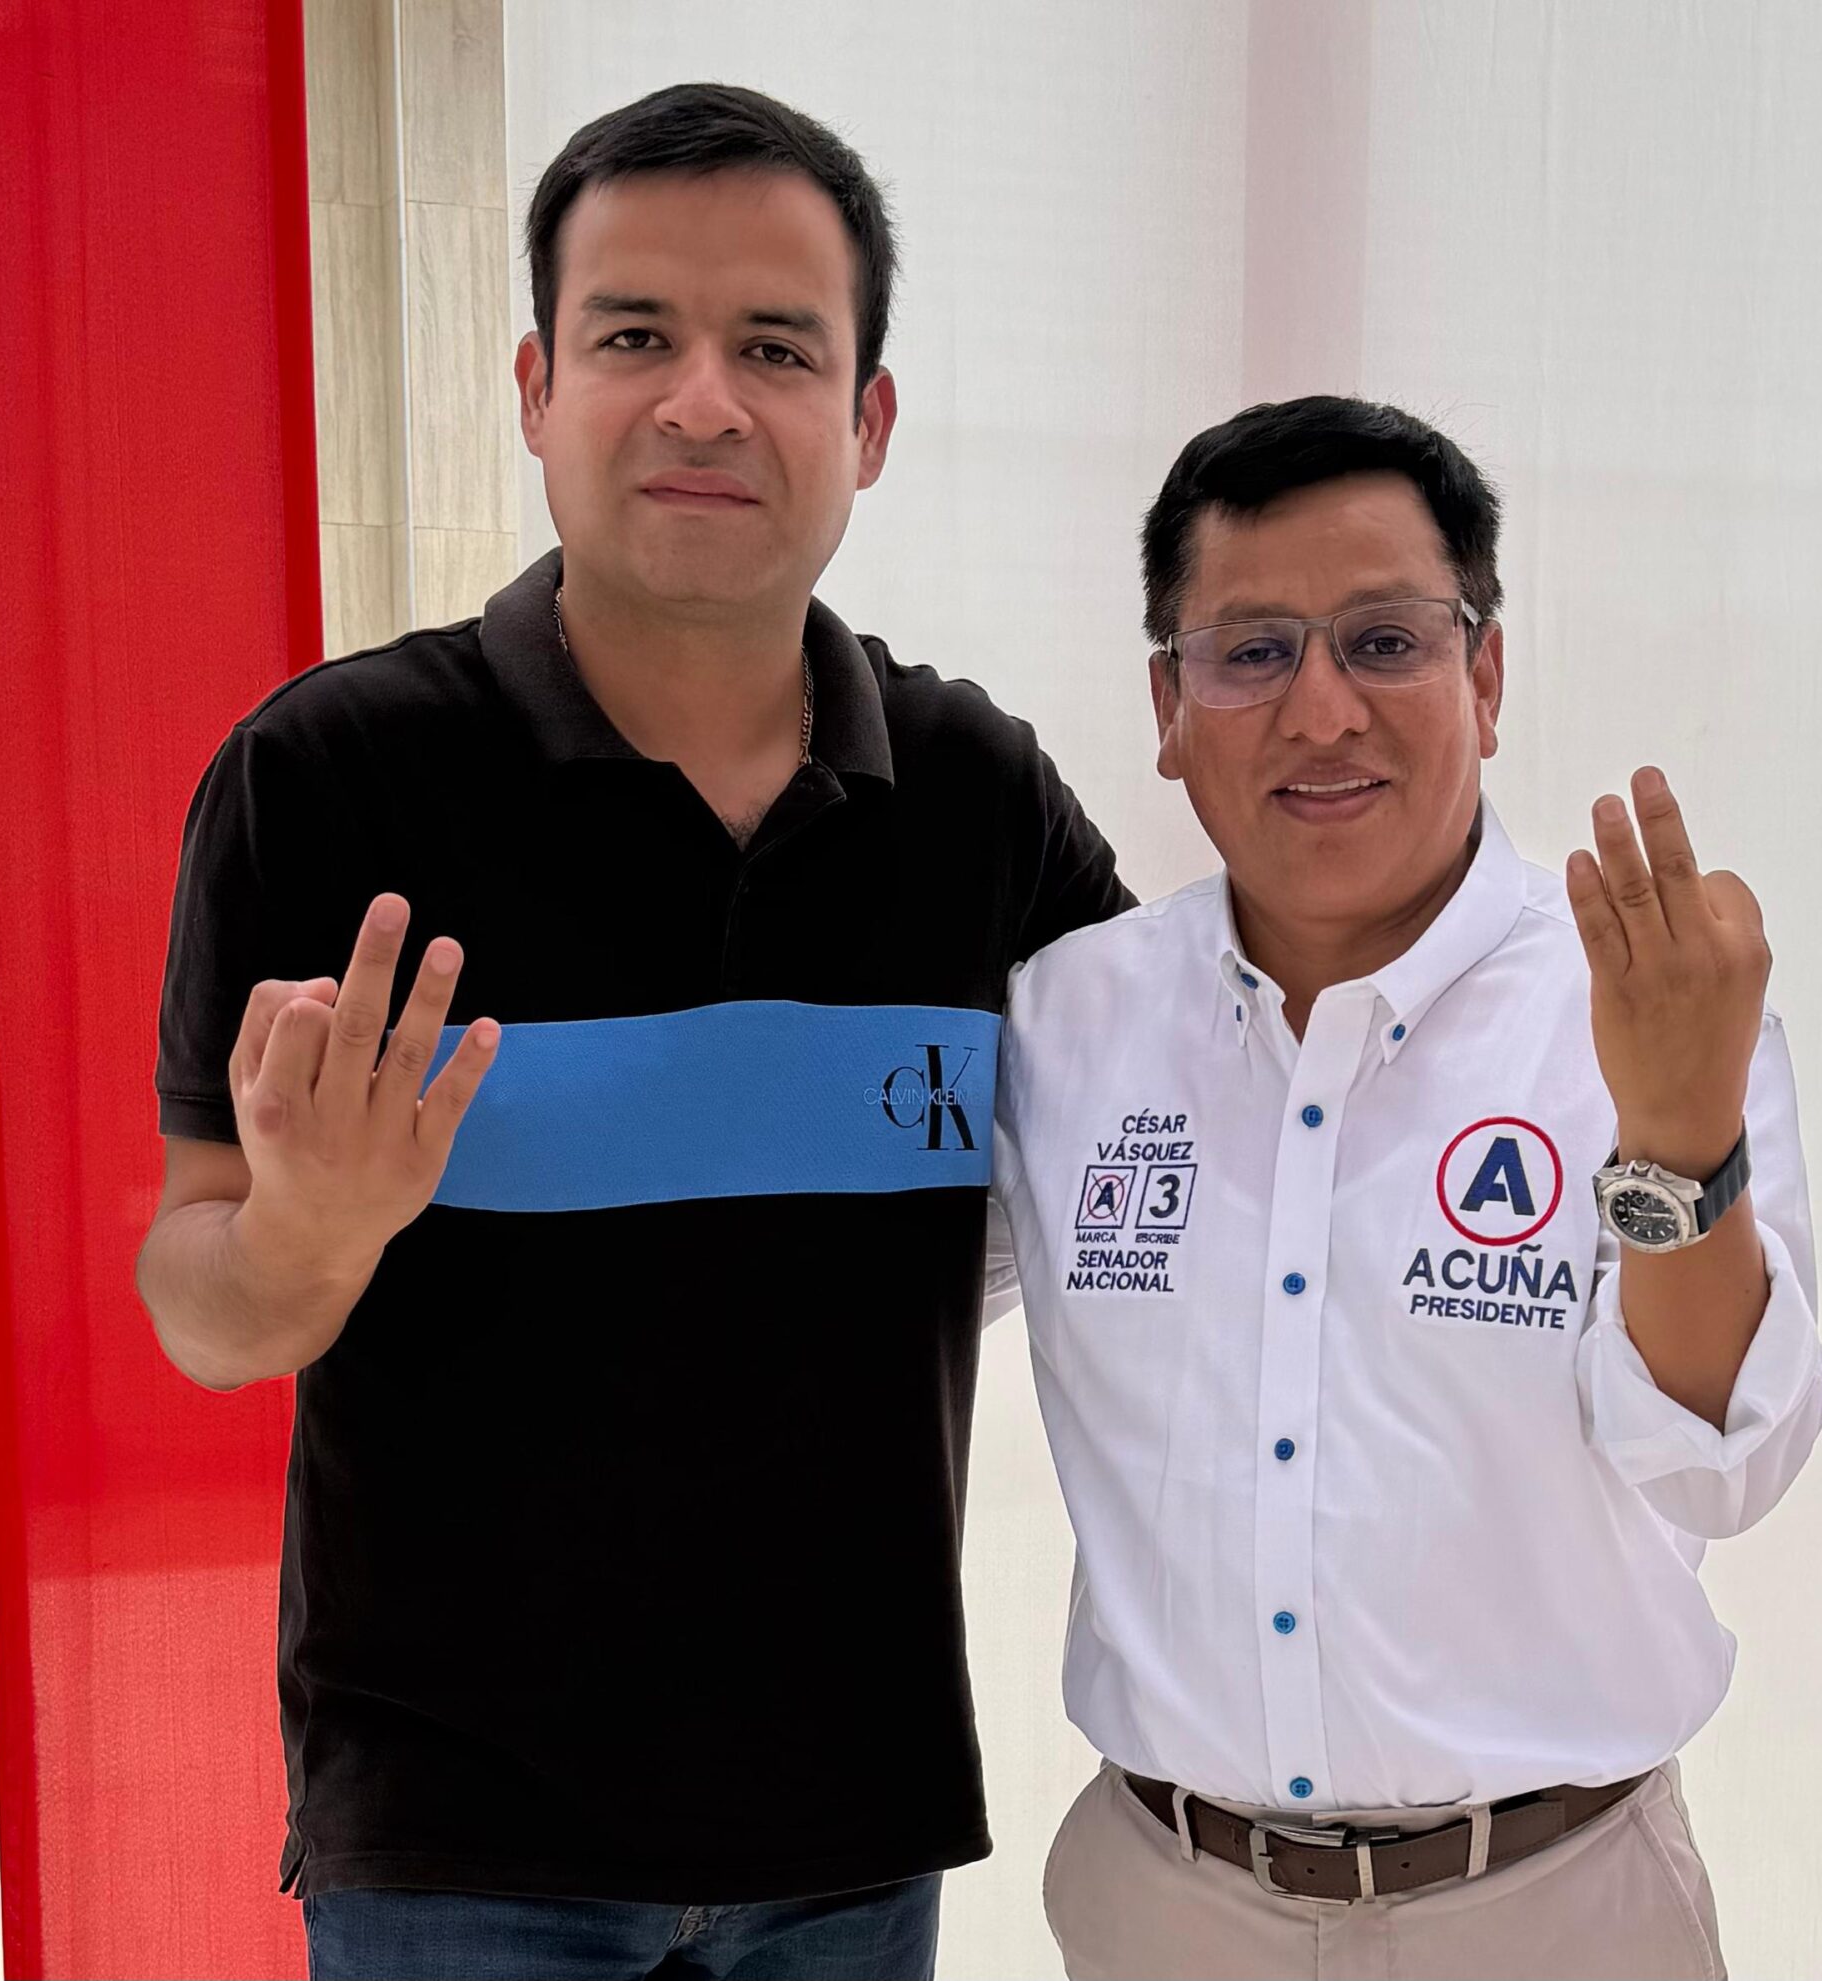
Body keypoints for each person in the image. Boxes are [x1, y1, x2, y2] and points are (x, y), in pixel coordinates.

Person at [136, 83, 1127, 1981]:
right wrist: (311, 1232)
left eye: (777, 348)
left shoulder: (978, 798)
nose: (702, 401)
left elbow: (1189, 1125)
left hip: (855, 1833)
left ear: (869, 421)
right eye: (634, 337)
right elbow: (201, 1302)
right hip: (457, 1844)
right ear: (535, 389)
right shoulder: (327, 778)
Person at [991, 396, 1822, 1979]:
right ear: (1168, 704)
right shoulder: (1065, 1024)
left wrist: (1672, 1134)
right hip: (1166, 1899)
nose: (1321, 713)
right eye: (1252, 652)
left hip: (1559, 1906)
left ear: (1485, 676)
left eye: (1385, 643)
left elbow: (1726, 1463)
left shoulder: (1637, 1011)